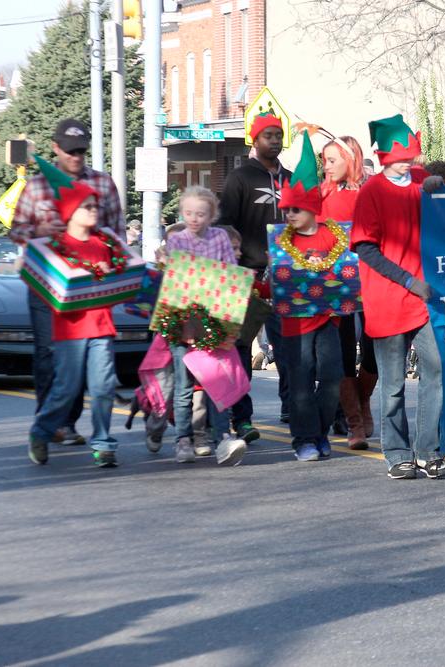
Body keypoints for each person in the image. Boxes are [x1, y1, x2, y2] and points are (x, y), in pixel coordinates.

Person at [10, 118, 125, 447]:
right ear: (55, 148)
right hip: (47, 283)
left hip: (90, 289)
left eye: (81, 151)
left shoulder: (102, 185)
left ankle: (68, 423)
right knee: (50, 354)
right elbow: (16, 231)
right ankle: (51, 421)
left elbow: (117, 232)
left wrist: (112, 260)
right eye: (70, 151)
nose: (76, 157)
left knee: (88, 360)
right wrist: (40, 232)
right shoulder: (36, 186)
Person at [351, 114, 445, 480]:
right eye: (401, 156)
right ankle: (395, 451)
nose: (409, 162)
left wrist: (441, 187)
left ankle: (428, 449)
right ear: (382, 157)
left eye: (412, 155)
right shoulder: (372, 191)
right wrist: (409, 281)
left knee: (436, 369)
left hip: (425, 299)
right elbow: (366, 249)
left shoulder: (422, 181)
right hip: (390, 298)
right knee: (392, 384)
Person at [27, 156, 121, 467]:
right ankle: (41, 431)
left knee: (104, 386)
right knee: (67, 388)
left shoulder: (105, 243)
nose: (95, 211)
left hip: (101, 325)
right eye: (88, 207)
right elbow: (49, 283)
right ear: (70, 212)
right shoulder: (56, 246)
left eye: (96, 207)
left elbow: (121, 276)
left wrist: (111, 274)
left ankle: (104, 443)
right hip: (70, 328)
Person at [218, 110, 292, 441]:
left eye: (278, 135)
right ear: (255, 139)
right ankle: (241, 417)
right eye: (268, 136)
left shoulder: (290, 178)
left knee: (289, 347)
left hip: (286, 276)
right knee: (241, 348)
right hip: (246, 275)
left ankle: (292, 408)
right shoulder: (240, 178)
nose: (274, 141)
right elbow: (224, 224)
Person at [164, 186, 248, 466]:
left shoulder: (221, 237)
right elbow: (177, 279)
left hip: (213, 316)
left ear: (212, 215)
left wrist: (228, 321)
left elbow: (228, 274)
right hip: (184, 319)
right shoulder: (177, 241)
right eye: (188, 213)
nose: (194, 218)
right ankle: (183, 439)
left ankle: (223, 436)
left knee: (216, 381)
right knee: (185, 385)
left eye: (201, 214)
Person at [275, 132, 346, 461]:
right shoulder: (281, 242)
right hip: (294, 323)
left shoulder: (333, 235)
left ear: (312, 208)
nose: (289, 215)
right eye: (286, 209)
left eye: (296, 209)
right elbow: (276, 279)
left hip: (328, 319)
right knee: (301, 381)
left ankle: (319, 430)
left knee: (331, 377)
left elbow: (347, 271)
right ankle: (305, 438)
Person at [321, 134, 377, 449]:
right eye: (324, 161)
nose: (327, 167)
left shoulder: (371, 190)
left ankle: (364, 398)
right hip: (335, 284)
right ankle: (354, 421)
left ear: (350, 160)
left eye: (332, 161)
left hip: (370, 279)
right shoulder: (321, 194)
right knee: (342, 353)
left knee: (373, 350)